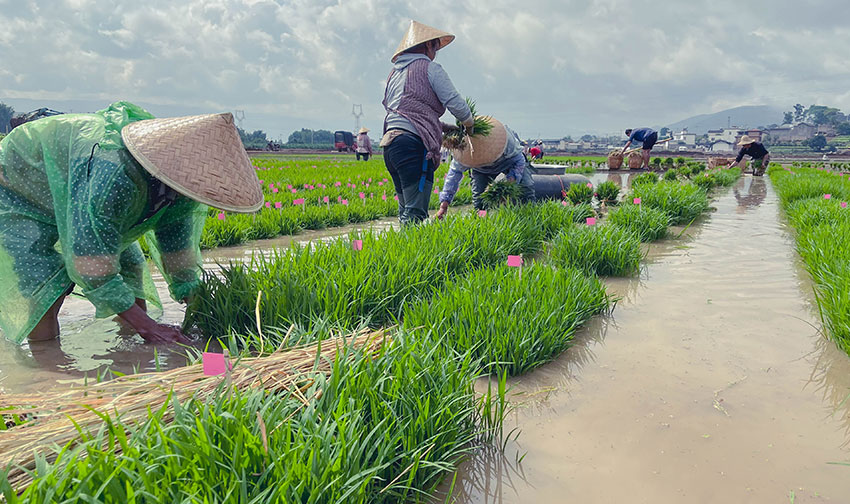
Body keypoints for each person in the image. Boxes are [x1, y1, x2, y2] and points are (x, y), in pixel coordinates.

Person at [0, 101, 263, 346]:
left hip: (82, 186)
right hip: (22, 182)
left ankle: (125, 345)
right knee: (44, 286)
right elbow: (91, 265)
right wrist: (150, 327)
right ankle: (47, 371)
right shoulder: (115, 174)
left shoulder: (185, 191)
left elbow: (178, 254)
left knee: (132, 266)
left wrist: (204, 313)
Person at [381, 20, 474, 225]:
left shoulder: (394, 74)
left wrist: (441, 127)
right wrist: (469, 125)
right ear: (428, 45)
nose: (435, 52)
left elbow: (406, 110)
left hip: (391, 146)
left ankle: (401, 249)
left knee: (405, 209)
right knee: (415, 213)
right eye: (435, 47)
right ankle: (411, 255)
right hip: (413, 146)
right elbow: (456, 104)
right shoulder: (430, 68)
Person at [436, 118, 535, 215]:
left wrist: (509, 182)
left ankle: (529, 215)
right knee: (479, 201)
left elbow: (519, 162)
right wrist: (443, 206)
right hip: (480, 171)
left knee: (526, 189)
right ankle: (483, 222)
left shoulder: (507, 143)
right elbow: (453, 177)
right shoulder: (463, 152)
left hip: (508, 162)